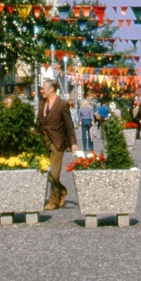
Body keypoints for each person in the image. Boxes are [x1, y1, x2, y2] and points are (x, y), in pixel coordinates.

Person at [37, 79, 79, 210]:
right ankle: (61, 190)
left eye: (44, 88)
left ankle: (53, 201)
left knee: (54, 173)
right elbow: (39, 123)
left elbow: (69, 125)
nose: (41, 91)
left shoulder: (62, 104)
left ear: (52, 89)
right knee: (44, 172)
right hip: (43, 140)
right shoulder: (41, 103)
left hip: (57, 141)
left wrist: (73, 143)